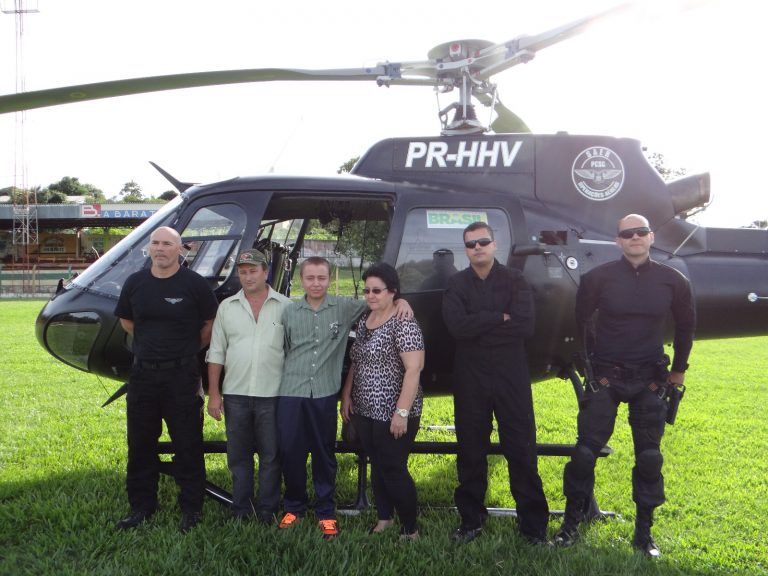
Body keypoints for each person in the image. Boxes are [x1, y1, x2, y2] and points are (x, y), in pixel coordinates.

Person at [554, 214, 695, 558]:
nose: (635, 237)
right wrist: (590, 368)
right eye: (627, 234)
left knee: (649, 458)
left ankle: (644, 535)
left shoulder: (672, 280)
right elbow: (581, 321)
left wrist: (678, 372)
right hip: (606, 376)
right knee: (584, 455)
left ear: (651, 237)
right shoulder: (597, 278)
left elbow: (686, 328)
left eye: (641, 232)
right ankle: (570, 525)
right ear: (618, 241)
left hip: (650, 378)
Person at [276, 256, 412, 540]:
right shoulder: (288, 312)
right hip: (291, 393)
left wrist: (402, 301)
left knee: (324, 455)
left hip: (324, 395)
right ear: (302, 280)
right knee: (291, 452)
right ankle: (294, 507)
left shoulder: (345, 307)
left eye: (322, 278)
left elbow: (381, 299)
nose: (316, 283)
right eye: (310, 278)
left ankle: (326, 512)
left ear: (330, 278)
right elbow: (284, 348)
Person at [442, 221, 549, 545]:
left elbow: (525, 326)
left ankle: (533, 526)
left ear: (494, 245)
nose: (478, 248)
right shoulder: (456, 284)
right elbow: (456, 327)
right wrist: (497, 317)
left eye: (483, 242)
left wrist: (480, 325)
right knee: (471, 449)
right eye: (471, 244)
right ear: (466, 250)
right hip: (470, 377)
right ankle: (471, 520)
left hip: (510, 375)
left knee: (521, 448)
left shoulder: (516, 281)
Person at [114, 226, 218, 533]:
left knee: (187, 444)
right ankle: (142, 507)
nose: (160, 248)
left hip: (182, 375)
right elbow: (127, 321)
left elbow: (210, 323)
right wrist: (152, 346)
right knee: (140, 444)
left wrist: (184, 349)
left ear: (179, 249)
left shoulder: (194, 284)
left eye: (167, 244)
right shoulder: (135, 283)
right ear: (150, 248)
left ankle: (191, 509)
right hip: (143, 374)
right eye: (156, 243)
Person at [206, 248, 292, 524]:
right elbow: (216, 353)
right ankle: (241, 509)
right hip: (236, 395)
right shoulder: (227, 307)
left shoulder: (286, 306)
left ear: (265, 273)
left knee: (271, 456)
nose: (247, 276)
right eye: (242, 272)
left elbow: (293, 352)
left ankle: (267, 509)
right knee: (238, 457)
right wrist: (214, 395)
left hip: (273, 395)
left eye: (253, 271)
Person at [340, 262, 425, 540]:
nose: (371, 295)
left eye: (377, 290)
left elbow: (414, 369)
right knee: (376, 464)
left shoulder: (404, 322)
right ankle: (384, 518)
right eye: (366, 290)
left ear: (392, 293)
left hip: (394, 410)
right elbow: (356, 362)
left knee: (393, 467)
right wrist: (347, 396)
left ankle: (410, 528)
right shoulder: (365, 320)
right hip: (364, 408)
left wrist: (401, 412)